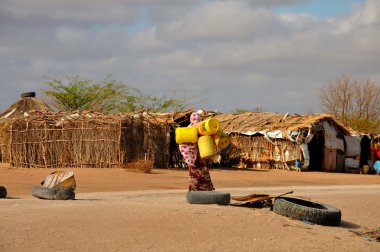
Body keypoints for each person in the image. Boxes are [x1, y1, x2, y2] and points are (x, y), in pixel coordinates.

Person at [179, 110, 215, 191]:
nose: (197, 121)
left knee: (195, 171)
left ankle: (198, 188)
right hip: (193, 155)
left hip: (192, 156)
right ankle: (203, 188)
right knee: (201, 171)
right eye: (197, 119)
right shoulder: (192, 130)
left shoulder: (189, 129)